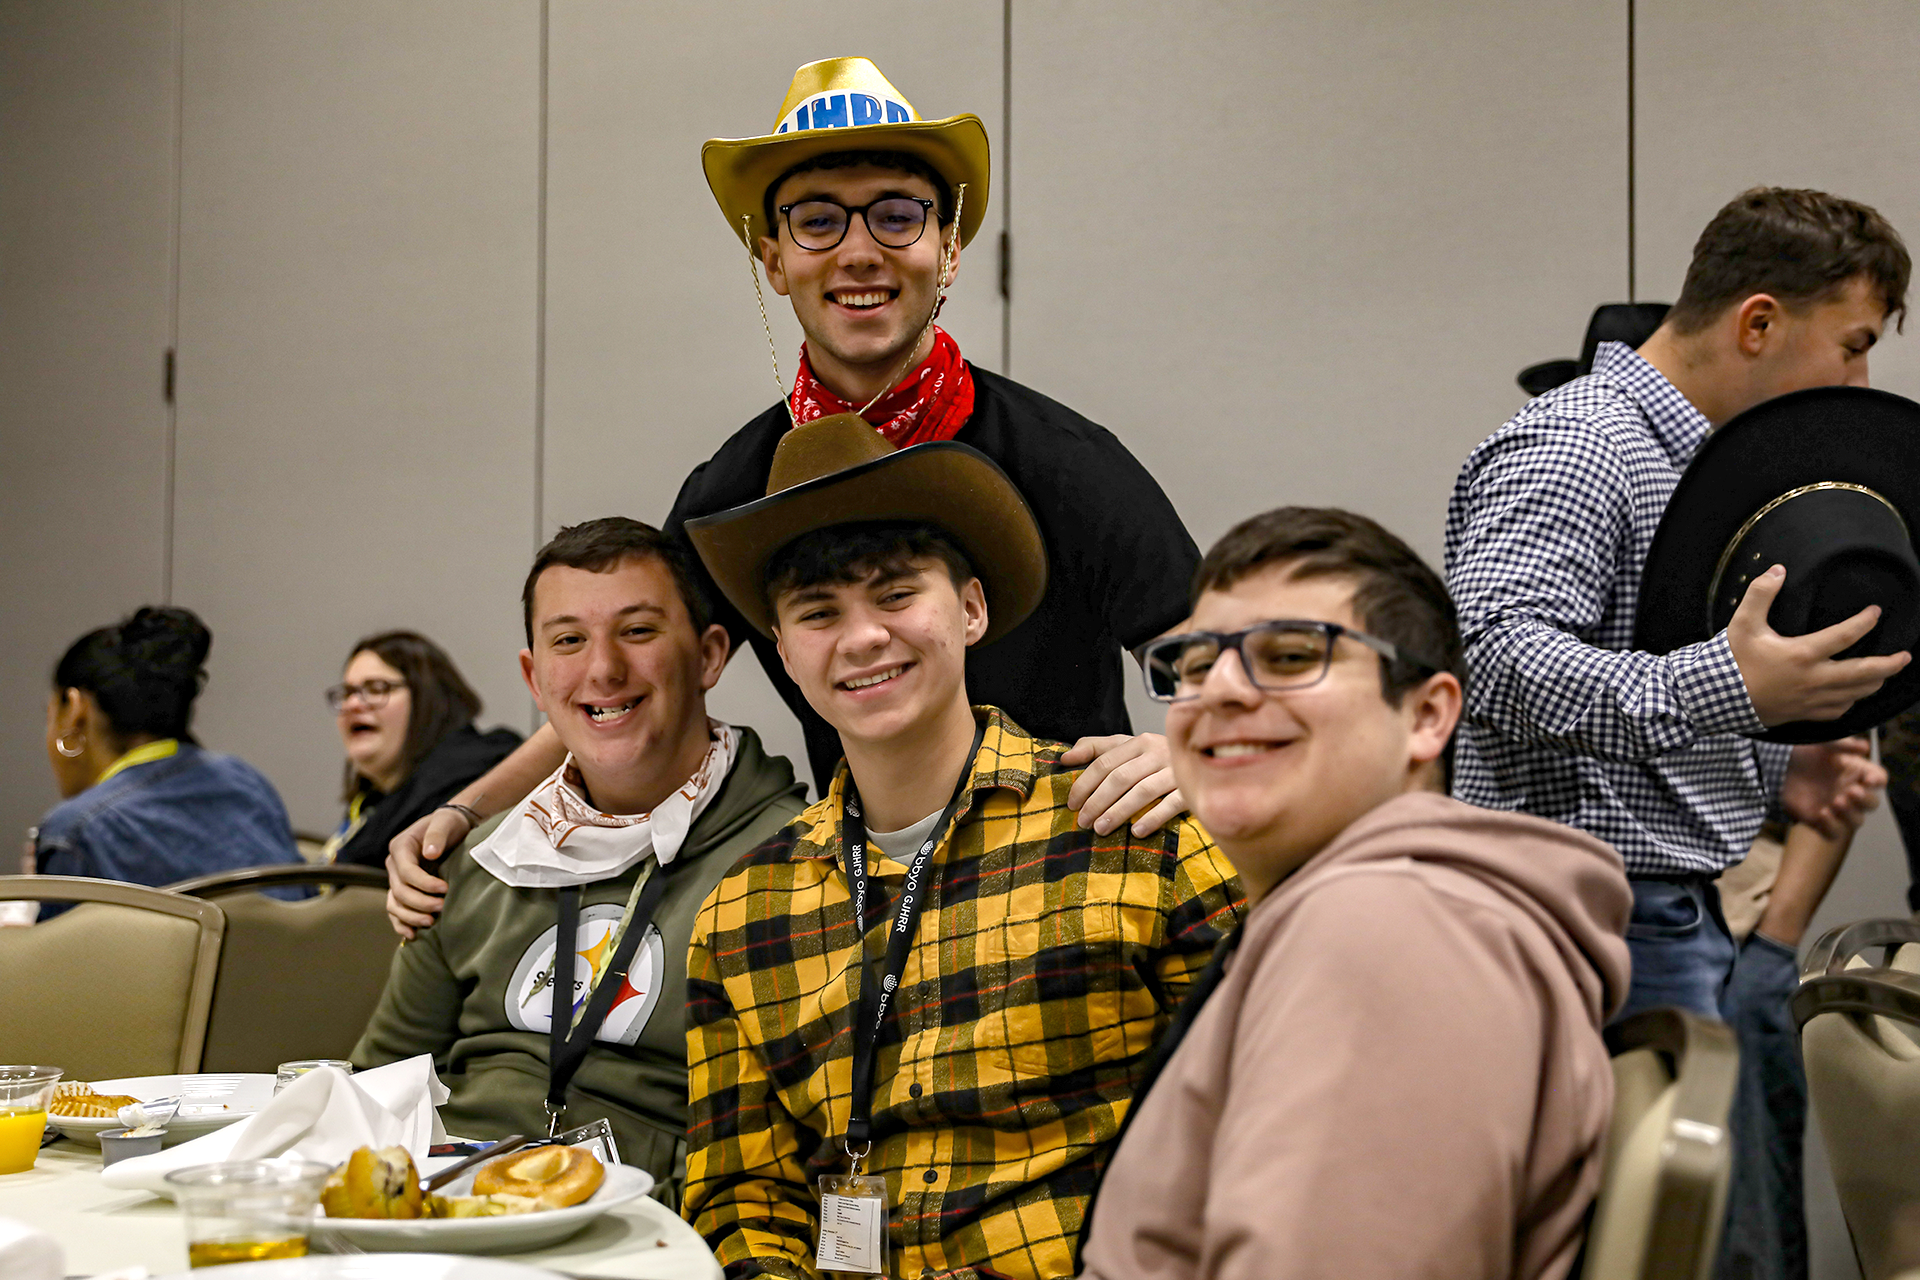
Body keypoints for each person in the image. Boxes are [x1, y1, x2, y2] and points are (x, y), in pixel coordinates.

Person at [383, 57, 1199, 937]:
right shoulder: (735, 493)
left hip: (1076, 880)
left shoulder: (1067, 464)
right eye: (816, 222)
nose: (859, 251)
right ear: (771, 259)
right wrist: (464, 813)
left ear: (950, 249)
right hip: (863, 900)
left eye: (898, 215)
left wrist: (1187, 756)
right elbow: (622, 686)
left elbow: (1215, 663)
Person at [1445, 186, 1908, 1280]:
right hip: (1591, 918)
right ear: (1757, 322)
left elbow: (1631, 668)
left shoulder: (1683, 457)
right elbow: (1501, 663)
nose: (1861, 384)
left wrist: (1765, 759)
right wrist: (1733, 696)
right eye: (1850, 346)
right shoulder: (1580, 445)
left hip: (1653, 912)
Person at [677, 415, 1242, 1280]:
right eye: (820, 613)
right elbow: (741, 1195)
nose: (863, 637)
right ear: (785, 653)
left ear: (972, 608)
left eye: (897, 595)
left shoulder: (1133, 829)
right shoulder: (746, 911)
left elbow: (1253, 1131)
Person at [1076, 506, 1631, 1280]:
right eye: (1196, 664)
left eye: (1294, 655)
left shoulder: (1386, 933)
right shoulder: (1355, 911)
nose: (1222, 691)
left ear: (1427, 715)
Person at [352, 518, 807, 1185]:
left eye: (639, 631)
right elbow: (378, 1086)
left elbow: (794, 1143)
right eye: (570, 641)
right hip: (450, 1205)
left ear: (709, 656)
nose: (603, 669)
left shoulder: (797, 864)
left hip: (652, 1220)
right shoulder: (482, 858)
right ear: (535, 680)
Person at [34, 606, 298, 916]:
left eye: (50, 714)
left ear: (75, 710)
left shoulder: (77, 832)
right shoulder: (245, 781)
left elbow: (68, 963)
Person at [323, 630, 521, 869]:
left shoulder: (471, 774)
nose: (352, 704)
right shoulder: (371, 803)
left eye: (376, 689)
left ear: (428, 698)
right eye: (347, 693)